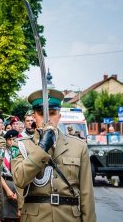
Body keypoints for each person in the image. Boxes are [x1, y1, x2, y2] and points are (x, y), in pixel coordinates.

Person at [11, 89, 96, 222]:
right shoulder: (21, 145)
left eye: (52, 113)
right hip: (35, 218)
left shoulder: (79, 147)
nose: (47, 118)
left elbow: (87, 193)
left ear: (59, 116)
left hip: (69, 217)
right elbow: (20, 180)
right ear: (34, 117)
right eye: (41, 113)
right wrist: (42, 148)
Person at [1, 129, 21, 222]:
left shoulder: (23, 152)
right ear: (6, 141)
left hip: (19, 185)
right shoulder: (2, 153)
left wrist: (19, 192)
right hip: (6, 184)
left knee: (19, 216)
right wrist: (7, 190)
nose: (12, 141)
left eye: (14, 139)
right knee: (6, 216)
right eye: (9, 139)